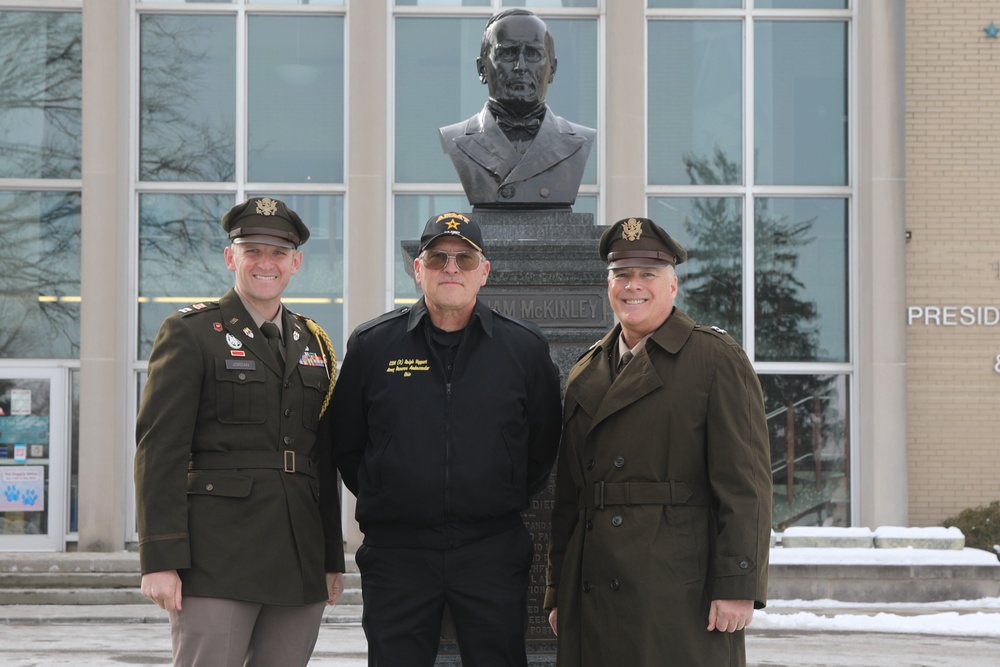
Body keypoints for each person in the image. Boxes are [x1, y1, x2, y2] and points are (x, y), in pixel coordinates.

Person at [329, 211, 562, 666]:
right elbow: (347, 443)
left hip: (491, 549)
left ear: (484, 272)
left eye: (464, 258)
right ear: (418, 270)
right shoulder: (373, 345)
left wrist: (495, 490)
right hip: (398, 554)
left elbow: (542, 444)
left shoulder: (523, 349)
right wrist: (395, 492)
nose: (450, 268)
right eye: (437, 258)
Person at [544, 217, 772, 666]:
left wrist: (738, 585)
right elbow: (570, 497)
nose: (633, 286)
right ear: (608, 285)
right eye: (621, 274)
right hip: (592, 584)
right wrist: (558, 587)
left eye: (648, 274)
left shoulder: (713, 358)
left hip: (677, 587)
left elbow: (745, 484)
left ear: (673, 285)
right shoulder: (586, 370)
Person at [134, 196, 345, 667]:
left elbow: (321, 460)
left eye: (278, 253)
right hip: (217, 558)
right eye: (253, 251)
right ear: (232, 258)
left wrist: (332, 555)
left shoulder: (315, 343)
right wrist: (159, 558)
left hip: (298, 557)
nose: (265, 263)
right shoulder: (192, 333)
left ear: (297, 263)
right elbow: (160, 450)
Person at [439, 9, 596, 208]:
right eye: (507, 53)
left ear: (552, 70)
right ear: (482, 69)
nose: (520, 66)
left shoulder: (578, 140)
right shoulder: (456, 138)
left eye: (532, 54)